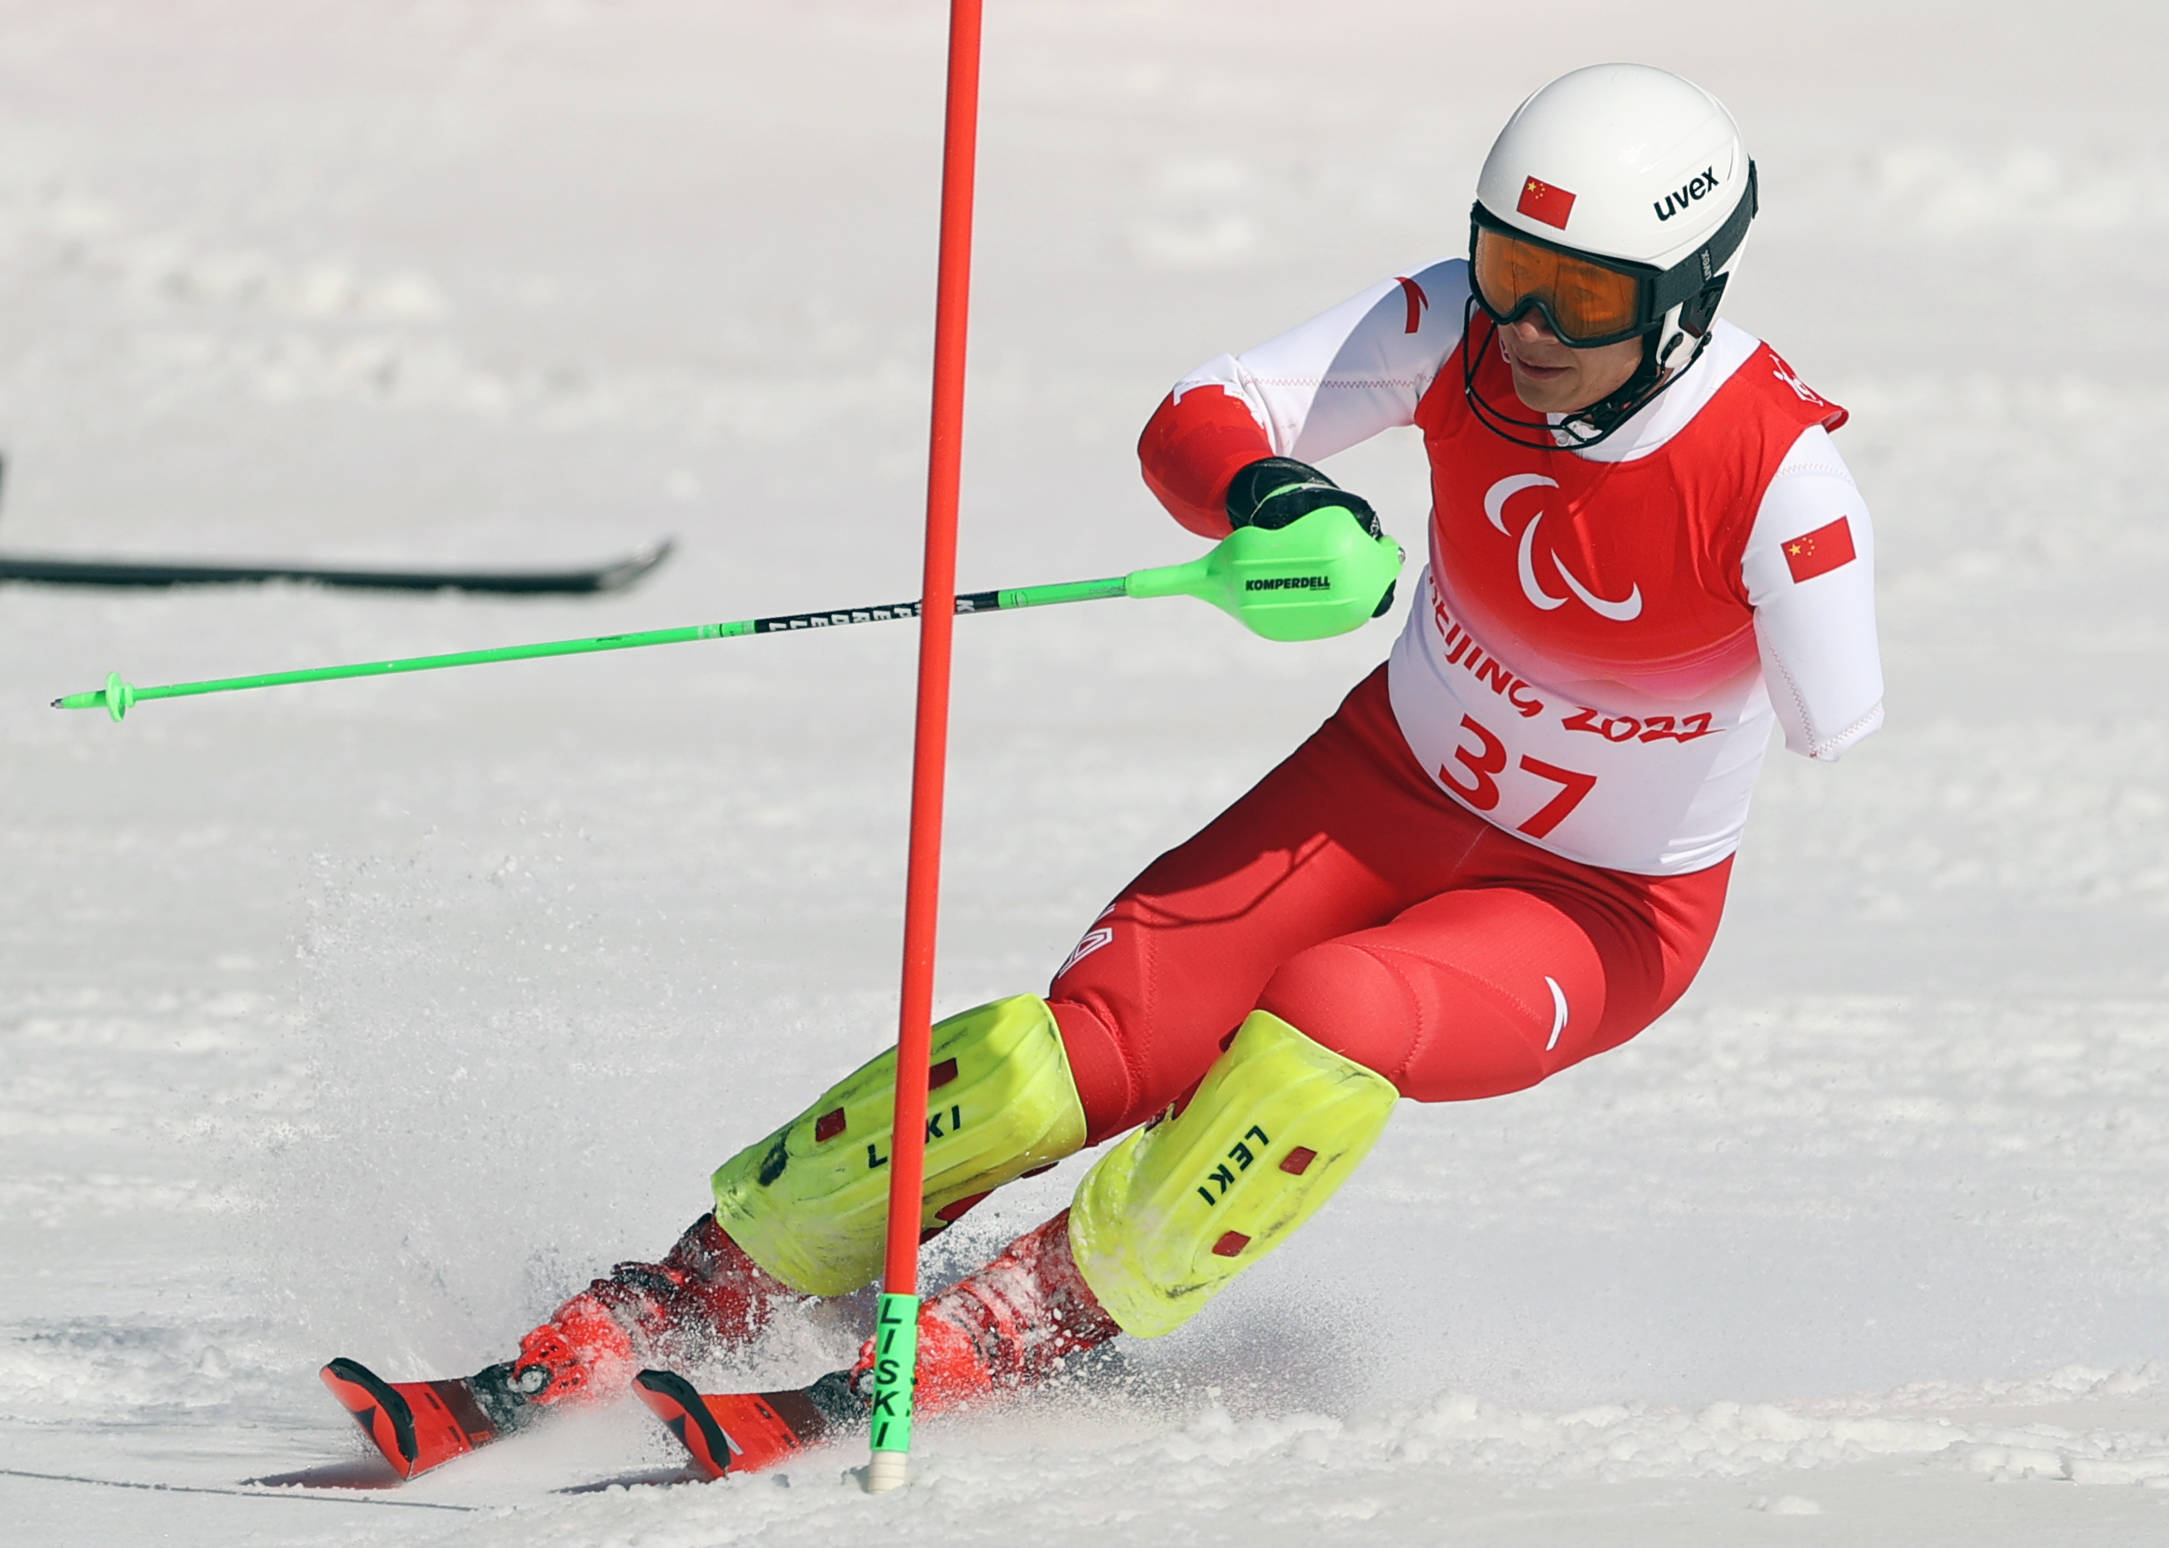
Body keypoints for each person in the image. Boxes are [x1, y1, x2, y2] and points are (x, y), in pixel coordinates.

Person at [327, 61, 1883, 1473]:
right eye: (1508, 271)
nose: (1529, 330)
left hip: (1597, 904)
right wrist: (1275, 498)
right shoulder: (1450, 331)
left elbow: (1831, 720)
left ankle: (1017, 1319)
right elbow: (1199, 420)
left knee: (1331, 1025)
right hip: (1384, 790)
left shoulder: (1777, 479)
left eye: (1583, 299)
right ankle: (692, 1284)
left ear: (1683, 296)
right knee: (1062, 1052)